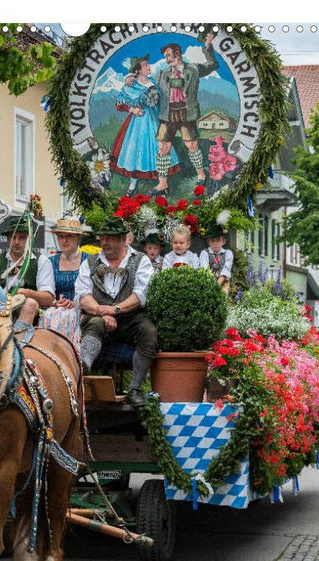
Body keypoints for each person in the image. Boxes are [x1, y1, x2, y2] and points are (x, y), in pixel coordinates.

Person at [74, 216, 157, 407]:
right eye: (102, 238)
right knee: (95, 323)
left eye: (109, 238)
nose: (104, 242)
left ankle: (135, 389)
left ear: (123, 239)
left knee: (148, 331)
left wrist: (115, 309)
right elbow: (83, 295)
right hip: (98, 316)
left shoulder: (141, 260)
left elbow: (141, 295)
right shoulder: (90, 262)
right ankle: (82, 372)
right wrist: (102, 312)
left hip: (130, 318)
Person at [153, 34, 218, 194]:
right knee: (163, 147)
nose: (167, 59)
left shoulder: (193, 69)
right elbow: (148, 86)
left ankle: (201, 176)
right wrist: (132, 79)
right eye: (165, 57)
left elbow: (212, 64)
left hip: (186, 114)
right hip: (167, 115)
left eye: (169, 55)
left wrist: (207, 46)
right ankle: (163, 184)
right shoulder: (161, 74)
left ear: (178, 54)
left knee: (192, 145)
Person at [111, 56, 179, 195]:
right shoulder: (131, 85)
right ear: (138, 70)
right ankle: (132, 186)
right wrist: (132, 109)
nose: (149, 67)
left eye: (148, 65)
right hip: (138, 122)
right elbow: (119, 104)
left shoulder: (152, 81)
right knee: (135, 152)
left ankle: (162, 186)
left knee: (159, 148)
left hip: (154, 118)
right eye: (146, 66)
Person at [0, 218, 55, 328]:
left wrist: (26, 293)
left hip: (31, 315)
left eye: (21, 237)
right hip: (0, 310)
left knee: (30, 304)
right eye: (13, 237)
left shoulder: (41, 261)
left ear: (29, 239)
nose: (16, 242)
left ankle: (17, 337)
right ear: (8, 239)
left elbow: (48, 298)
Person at [37, 218, 89, 345]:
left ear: (78, 238)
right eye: (61, 236)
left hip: (82, 309)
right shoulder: (50, 262)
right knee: (49, 316)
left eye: (69, 236)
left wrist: (77, 303)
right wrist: (55, 302)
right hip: (55, 309)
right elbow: (45, 290)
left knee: (69, 318)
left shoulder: (88, 260)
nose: (64, 240)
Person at [197, 213, 234, 294]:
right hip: (208, 282)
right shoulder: (204, 253)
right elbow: (204, 269)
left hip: (223, 281)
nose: (215, 243)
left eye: (218, 240)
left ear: (223, 241)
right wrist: (212, 285)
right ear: (208, 242)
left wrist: (218, 284)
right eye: (212, 240)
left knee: (223, 295)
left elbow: (226, 269)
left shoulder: (228, 253)